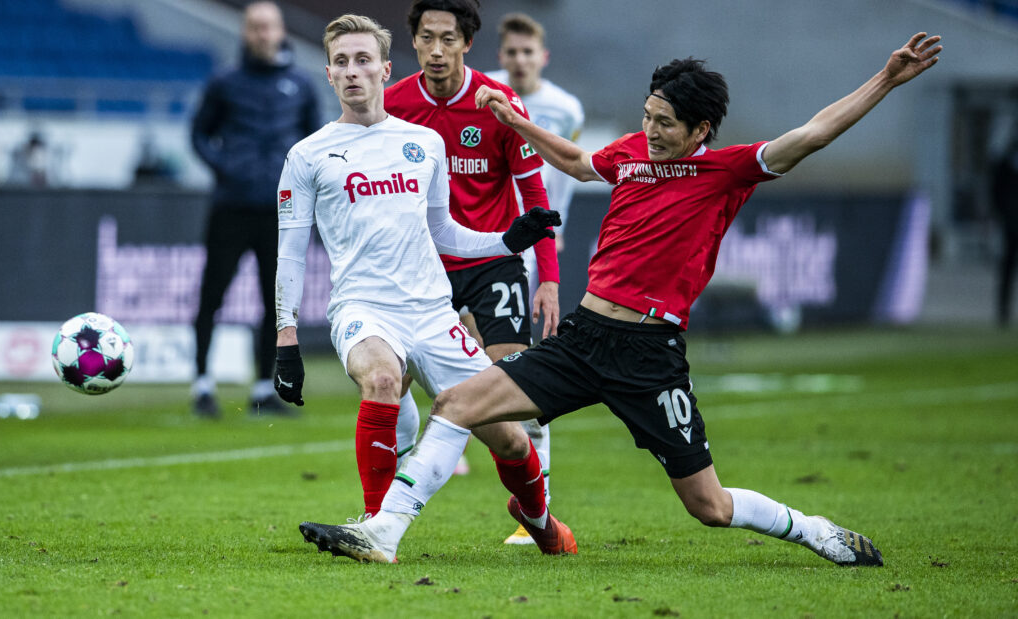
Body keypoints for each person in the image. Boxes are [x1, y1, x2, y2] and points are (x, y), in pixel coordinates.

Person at [302, 32, 942, 566]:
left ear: (702, 130)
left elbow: (814, 134)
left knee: (709, 507)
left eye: (666, 124)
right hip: (583, 339)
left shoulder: (729, 170)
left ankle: (813, 529)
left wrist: (885, 79)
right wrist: (520, 123)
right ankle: (384, 534)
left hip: (649, 356)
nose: (651, 131)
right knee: (457, 402)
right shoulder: (633, 153)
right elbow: (581, 164)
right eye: (647, 116)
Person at [272, 14, 573, 556]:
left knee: (509, 435)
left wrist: (507, 241)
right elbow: (290, 253)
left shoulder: (423, 143)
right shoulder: (307, 156)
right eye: (341, 62)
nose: (353, 72)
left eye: (364, 60)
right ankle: (374, 525)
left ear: (386, 70)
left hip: (434, 312)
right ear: (328, 74)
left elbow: (446, 233)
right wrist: (285, 337)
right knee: (383, 381)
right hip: (363, 308)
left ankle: (542, 521)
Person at [383, 0, 561, 538]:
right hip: (421, 267)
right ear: (413, 42)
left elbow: (536, 200)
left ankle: (538, 509)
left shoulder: (500, 106)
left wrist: (549, 279)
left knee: (515, 391)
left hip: (491, 261)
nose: (436, 50)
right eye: (426, 39)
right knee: (392, 381)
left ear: (467, 44)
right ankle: (388, 501)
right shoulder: (393, 105)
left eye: (448, 40)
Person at [190, 0, 321, 418]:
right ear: (245, 32)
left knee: (277, 303)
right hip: (230, 207)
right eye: (255, 27)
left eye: (269, 26)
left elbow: (314, 144)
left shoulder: (301, 85)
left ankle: (265, 389)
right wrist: (226, 169)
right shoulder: (224, 82)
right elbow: (198, 134)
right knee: (212, 296)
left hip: (280, 215)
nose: (263, 34)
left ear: (281, 30)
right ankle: (202, 386)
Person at [486, 12, 585, 545]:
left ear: (542, 57)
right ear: (501, 57)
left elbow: (562, 179)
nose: (520, 61)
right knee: (461, 363)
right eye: (513, 53)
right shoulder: (481, 95)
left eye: (530, 53)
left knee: (524, 372)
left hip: (530, 252)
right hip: (480, 249)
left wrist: (552, 243)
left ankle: (538, 500)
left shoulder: (565, 108)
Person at [991, 132, 1018, 326]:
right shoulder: (1006, 162)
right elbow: (996, 191)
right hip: (1011, 223)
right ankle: (1003, 310)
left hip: (1010, 220)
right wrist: (1003, 214)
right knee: (1008, 266)